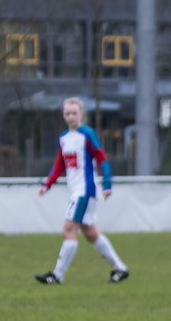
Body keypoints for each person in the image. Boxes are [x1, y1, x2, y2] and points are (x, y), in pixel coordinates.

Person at [35, 97, 129, 285]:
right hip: (77, 192)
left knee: (68, 230)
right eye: (67, 113)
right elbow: (59, 165)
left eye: (74, 113)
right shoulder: (63, 138)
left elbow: (102, 159)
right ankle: (120, 268)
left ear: (81, 114)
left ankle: (57, 275)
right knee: (91, 233)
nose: (70, 117)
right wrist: (48, 184)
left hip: (85, 191)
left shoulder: (87, 134)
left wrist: (107, 184)